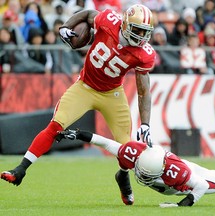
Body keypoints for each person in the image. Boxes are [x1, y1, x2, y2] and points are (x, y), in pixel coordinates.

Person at [0, 4, 155, 206]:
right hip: (85, 87)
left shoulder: (143, 54)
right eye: (138, 30)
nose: (141, 36)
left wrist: (146, 124)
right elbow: (89, 14)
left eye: (145, 32)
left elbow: (144, 90)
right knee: (55, 126)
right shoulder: (109, 20)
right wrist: (66, 26)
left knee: (127, 147)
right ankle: (20, 169)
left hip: (112, 94)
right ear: (125, 24)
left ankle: (123, 175)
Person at [55, 128, 215, 207]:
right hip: (173, 178)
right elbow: (103, 140)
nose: (144, 177)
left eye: (148, 176)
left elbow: (201, 186)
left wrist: (182, 204)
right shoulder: (133, 153)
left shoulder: (177, 173)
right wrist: (75, 134)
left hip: (188, 179)